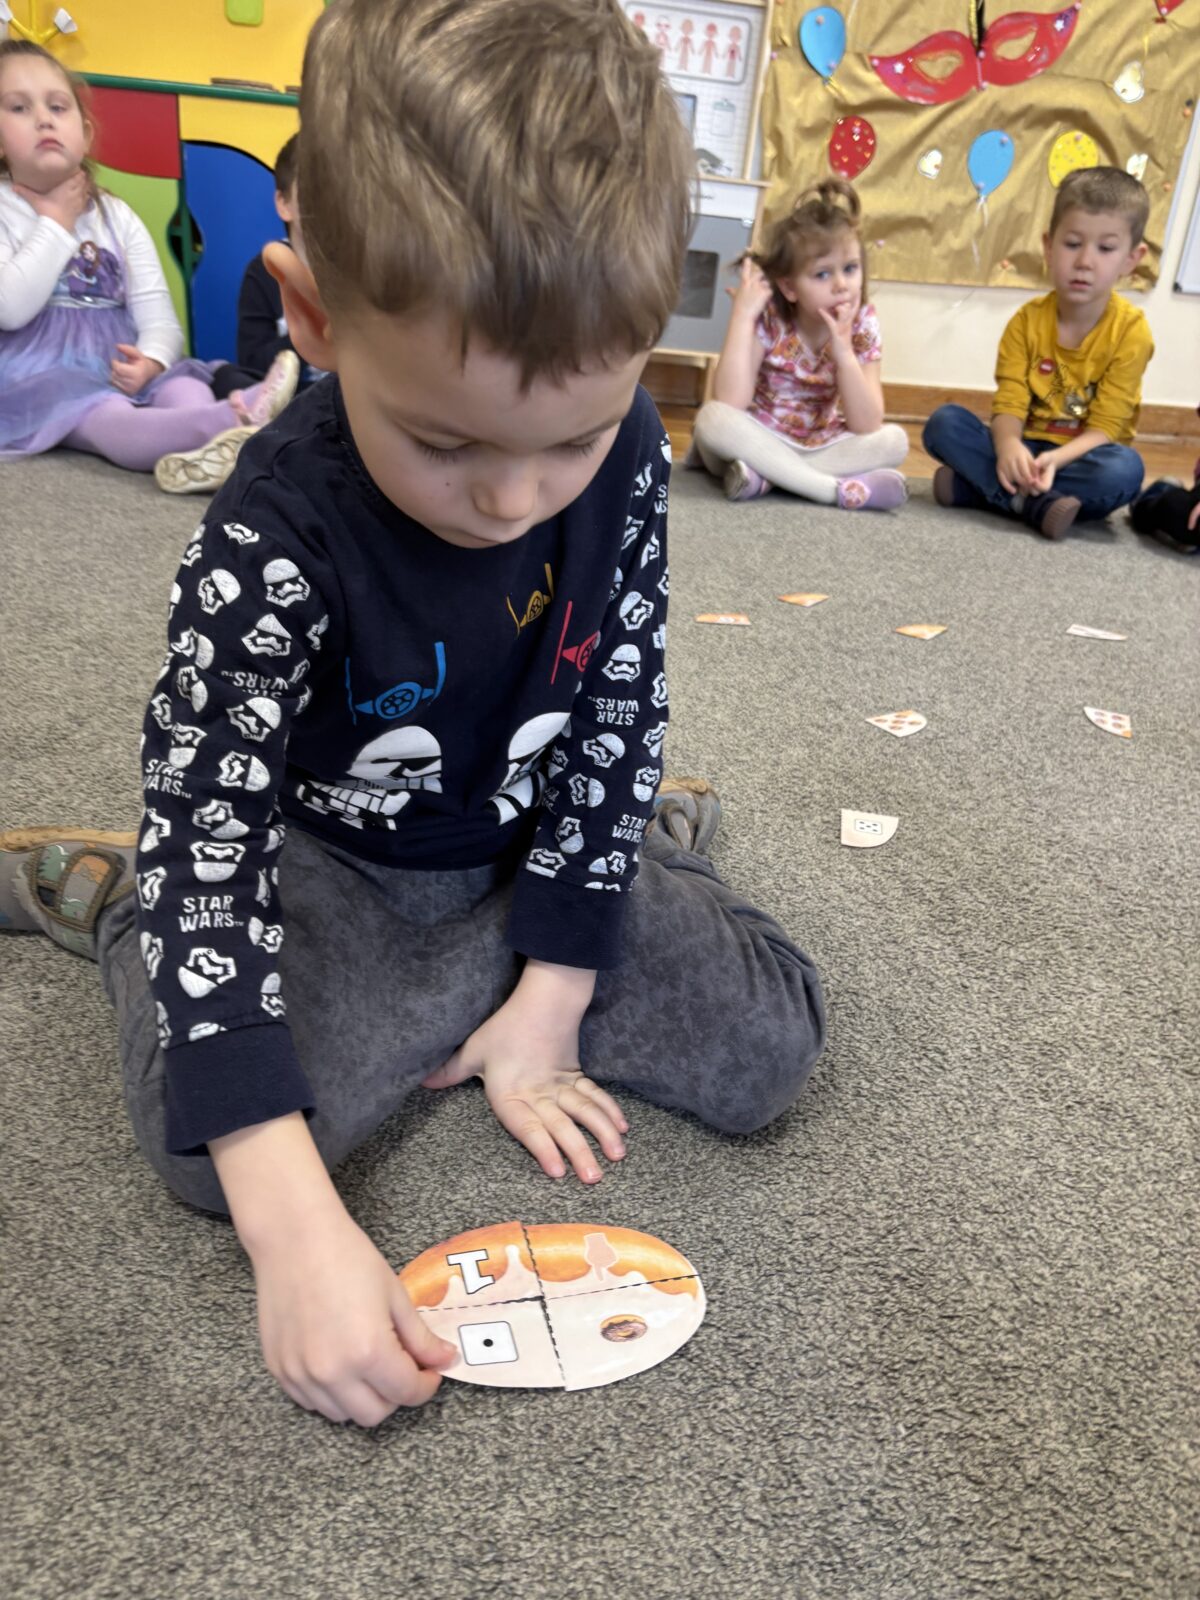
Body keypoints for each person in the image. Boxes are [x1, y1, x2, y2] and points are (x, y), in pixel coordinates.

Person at [0, 0, 827, 1429]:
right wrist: (294, 1232)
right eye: (447, 440)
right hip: (334, 862)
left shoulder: (631, 448)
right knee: (218, 1154)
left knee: (773, 1048)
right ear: (315, 318)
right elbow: (214, 833)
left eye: (574, 437)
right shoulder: (270, 532)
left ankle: (594, 871)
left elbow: (619, 689)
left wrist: (553, 994)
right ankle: (118, 901)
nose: (515, 496)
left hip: (519, 829)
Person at [0, 39, 298, 479]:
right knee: (107, 417)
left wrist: (152, 361)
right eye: (19, 108)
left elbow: (159, 318)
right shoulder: (5, 210)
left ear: (85, 133)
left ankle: (205, 453)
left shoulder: (116, 215)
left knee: (184, 386)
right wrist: (57, 221)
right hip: (44, 378)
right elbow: (10, 308)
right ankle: (231, 421)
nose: (44, 118)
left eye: (58, 107)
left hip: (121, 368)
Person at [923, 167, 1152, 540]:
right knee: (944, 424)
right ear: (1048, 246)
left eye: (1106, 248)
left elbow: (1106, 428)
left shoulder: (1131, 331)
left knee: (1125, 471)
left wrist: (1056, 459)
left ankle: (984, 492)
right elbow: (1010, 403)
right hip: (1024, 448)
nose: (1085, 261)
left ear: (1131, 259)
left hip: (1080, 458)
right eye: (1072, 243)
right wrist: (1008, 446)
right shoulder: (1025, 322)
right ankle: (1033, 504)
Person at [688, 178, 908, 510]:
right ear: (790, 288)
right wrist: (742, 317)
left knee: (895, 441)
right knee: (712, 419)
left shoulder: (863, 320)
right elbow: (732, 400)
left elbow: (866, 423)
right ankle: (831, 490)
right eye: (822, 274)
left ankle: (766, 477)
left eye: (850, 269)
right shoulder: (770, 315)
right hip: (758, 435)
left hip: (820, 444)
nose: (841, 285)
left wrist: (844, 352)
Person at [208, 133, 324, 402]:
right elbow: (253, 361)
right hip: (290, 397)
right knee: (225, 377)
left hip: (347, 395)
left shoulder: (360, 269)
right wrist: (310, 332)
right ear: (284, 204)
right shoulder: (264, 272)